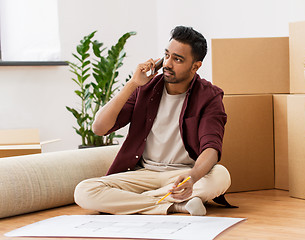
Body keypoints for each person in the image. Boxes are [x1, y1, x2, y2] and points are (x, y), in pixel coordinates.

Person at [74, 26, 231, 216]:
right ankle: (173, 205)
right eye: (166, 55)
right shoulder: (145, 89)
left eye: (177, 59)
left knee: (221, 176)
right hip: (143, 173)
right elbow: (99, 128)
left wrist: (193, 175)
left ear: (195, 66)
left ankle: (137, 203)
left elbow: (211, 148)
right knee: (84, 191)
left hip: (182, 174)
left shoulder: (209, 96)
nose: (168, 64)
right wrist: (132, 84)